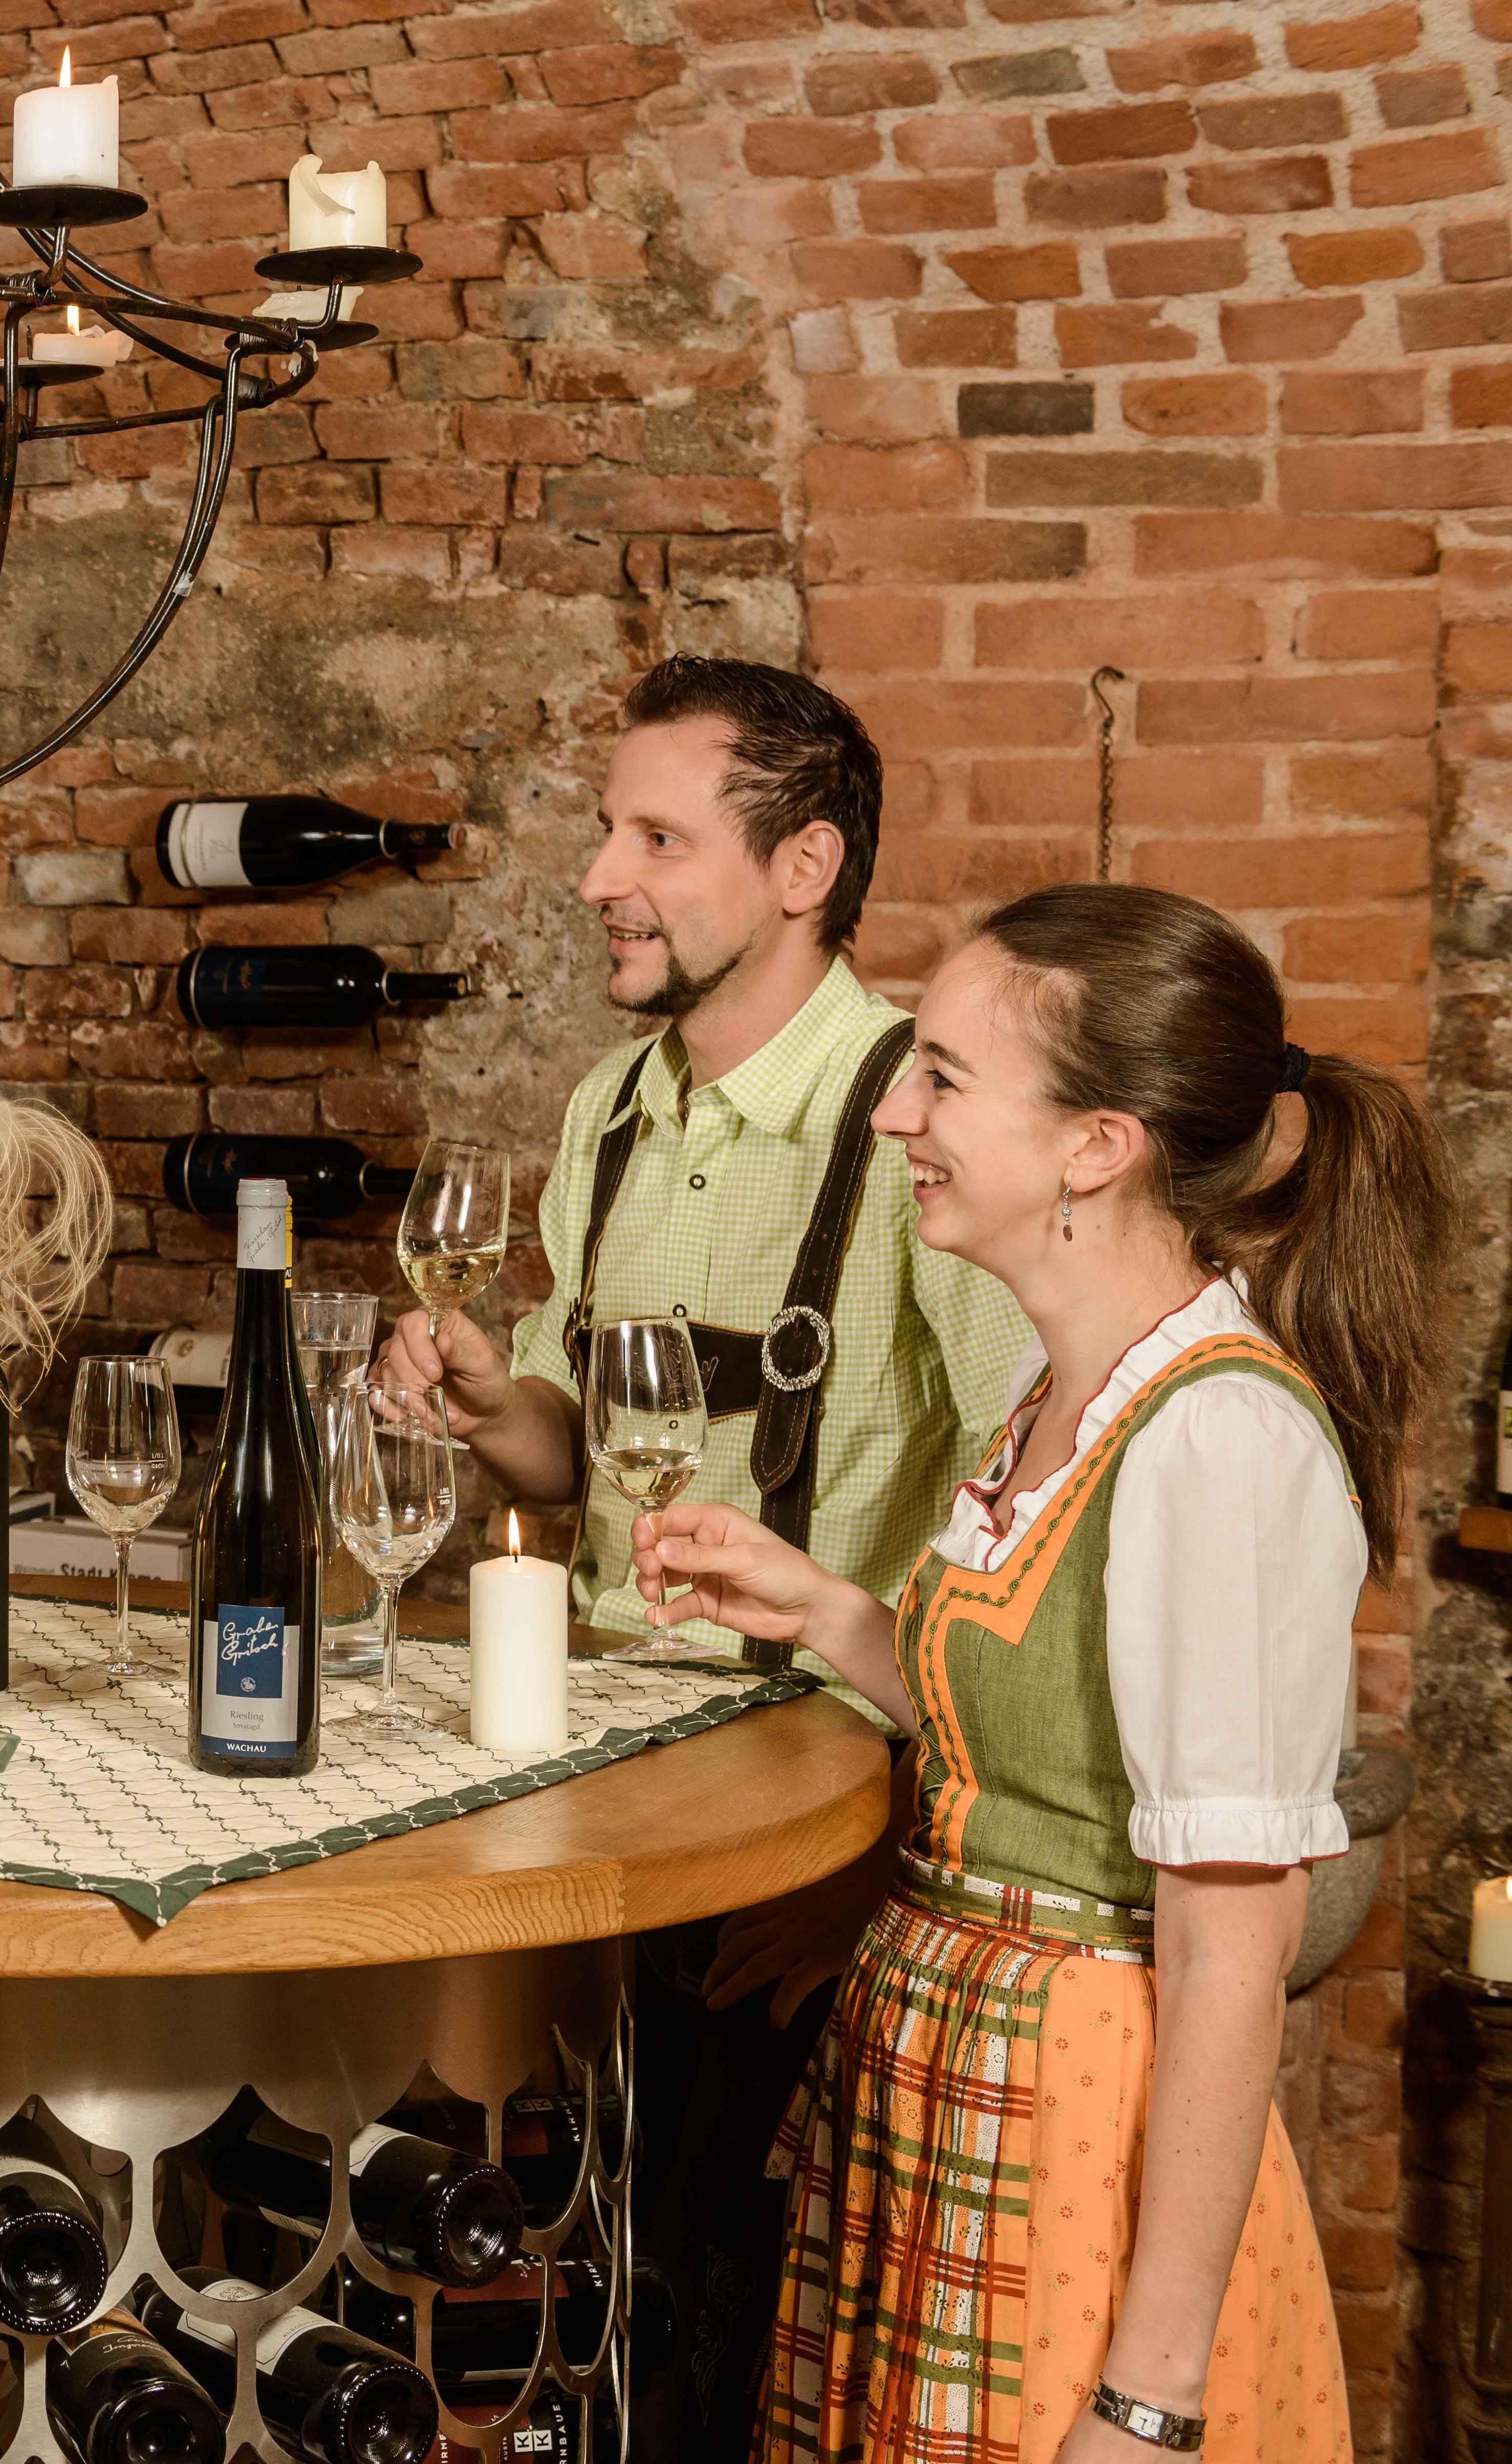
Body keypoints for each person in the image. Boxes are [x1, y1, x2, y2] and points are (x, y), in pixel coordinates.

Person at [638, 880, 1434, 2464]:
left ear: (1097, 1146)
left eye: (940, 1076)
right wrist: (823, 1609)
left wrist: (1147, 2400)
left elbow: (1228, 1949)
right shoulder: (1054, 1391)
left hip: (1079, 2134)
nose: (894, 1119)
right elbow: (1031, 1742)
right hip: (941, 2084)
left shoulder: (1219, 1440)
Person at [372, 657, 1033, 2457]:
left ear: (805, 866)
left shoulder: (917, 1122)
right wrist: (494, 1397)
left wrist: (888, 1842)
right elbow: (584, 1466)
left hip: (806, 1830)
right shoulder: (613, 1109)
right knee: (542, 2293)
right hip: (592, 1788)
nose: (601, 876)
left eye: (656, 836)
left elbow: (1038, 1505)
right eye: (611, 830)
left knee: (721, 2339)